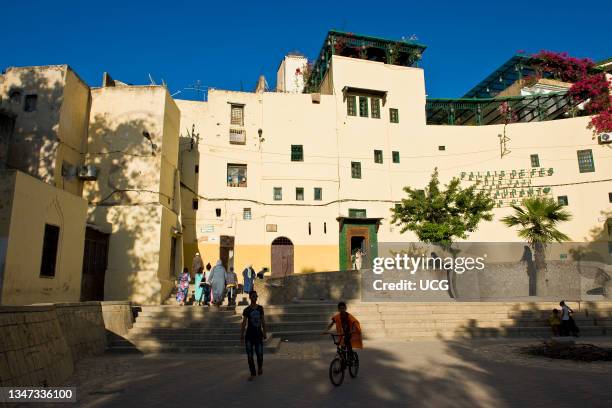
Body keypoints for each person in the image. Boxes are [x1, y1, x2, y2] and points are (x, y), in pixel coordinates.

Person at [240, 291, 267, 381]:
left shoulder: (260, 308)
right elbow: (244, 323)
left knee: (259, 354)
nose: (255, 298)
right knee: (250, 355)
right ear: (250, 298)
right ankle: (252, 373)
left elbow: (263, 321)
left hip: (258, 334)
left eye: (256, 296)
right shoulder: (246, 310)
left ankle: (260, 367)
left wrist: (264, 332)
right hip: (249, 336)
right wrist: (242, 334)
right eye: (253, 296)